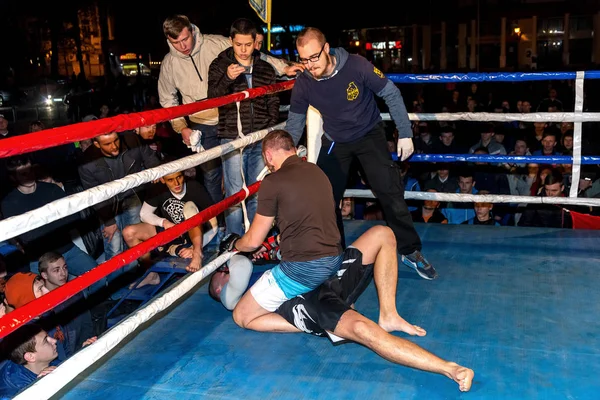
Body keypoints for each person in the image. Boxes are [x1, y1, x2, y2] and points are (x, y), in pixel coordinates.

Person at [209, 225, 474, 392]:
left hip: (322, 274)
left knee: (382, 233)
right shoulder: (251, 300)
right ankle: (449, 368)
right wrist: (308, 325)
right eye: (220, 280)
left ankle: (389, 314)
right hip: (313, 301)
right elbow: (243, 317)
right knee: (361, 328)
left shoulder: (256, 274)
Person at [284, 27, 437, 280]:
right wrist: (287, 158)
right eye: (304, 59)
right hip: (335, 140)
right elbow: (295, 122)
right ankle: (335, 256)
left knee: (390, 191)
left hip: (369, 133)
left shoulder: (356, 65)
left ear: (326, 49)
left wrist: (405, 132)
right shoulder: (304, 83)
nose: (309, 65)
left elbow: (391, 92)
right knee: (323, 199)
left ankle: (410, 251)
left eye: (314, 57)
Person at [157, 15, 302, 207]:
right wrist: (181, 127)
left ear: (192, 30)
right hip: (202, 125)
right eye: (176, 42)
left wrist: (284, 67)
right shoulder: (169, 63)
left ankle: (249, 221)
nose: (182, 45)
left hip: (234, 118)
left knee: (247, 175)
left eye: (185, 39)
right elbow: (168, 100)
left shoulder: (216, 43)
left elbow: (254, 54)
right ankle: (222, 226)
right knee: (212, 177)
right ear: (169, 40)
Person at [219, 129, 343, 331]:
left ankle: (321, 322)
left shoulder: (273, 181)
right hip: (334, 260)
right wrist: (277, 243)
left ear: (268, 156)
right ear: (293, 150)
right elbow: (308, 222)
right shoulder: (317, 171)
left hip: (303, 268)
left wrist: (235, 245)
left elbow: (252, 241)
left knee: (241, 315)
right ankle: (317, 300)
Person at [208, 18, 280, 236]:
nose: (243, 50)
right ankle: (234, 239)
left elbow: (273, 102)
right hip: (231, 136)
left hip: (259, 138)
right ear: (231, 41)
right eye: (238, 44)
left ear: (255, 42)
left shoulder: (266, 68)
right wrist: (227, 79)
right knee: (234, 193)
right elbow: (212, 98)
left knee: (257, 190)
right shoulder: (219, 65)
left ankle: (255, 239)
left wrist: (268, 133)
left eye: (248, 44)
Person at [77, 130, 161, 275]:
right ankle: (116, 285)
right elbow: (94, 196)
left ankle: (134, 277)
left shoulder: (131, 140)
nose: (114, 146)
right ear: (96, 144)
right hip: (107, 204)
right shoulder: (87, 162)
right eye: (107, 144)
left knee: (133, 239)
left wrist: (155, 170)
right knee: (114, 245)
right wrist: (108, 221)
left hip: (131, 195)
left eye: (115, 140)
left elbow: (149, 157)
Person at [122, 167, 217, 288]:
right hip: (173, 232)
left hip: (195, 235)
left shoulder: (194, 187)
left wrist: (195, 248)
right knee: (129, 232)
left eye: (179, 177)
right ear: (162, 180)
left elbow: (214, 222)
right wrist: (164, 222)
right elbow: (144, 214)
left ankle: (198, 254)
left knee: (189, 207)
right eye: (170, 180)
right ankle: (151, 273)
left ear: (183, 175)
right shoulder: (158, 189)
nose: (176, 183)